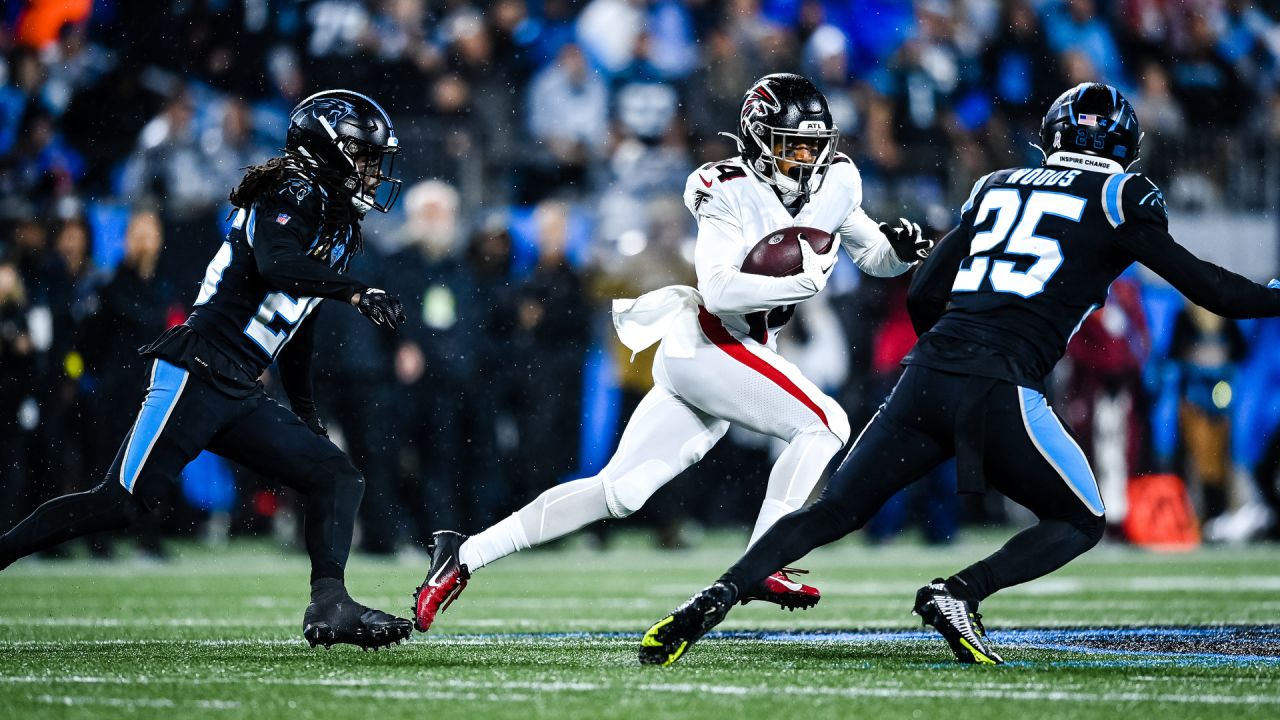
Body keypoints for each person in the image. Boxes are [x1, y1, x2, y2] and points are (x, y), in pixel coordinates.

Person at [638, 82, 1280, 667]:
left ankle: (718, 593)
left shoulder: (997, 184)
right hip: (1001, 381)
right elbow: (1211, 288)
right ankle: (959, 591)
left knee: (836, 509)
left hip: (927, 371)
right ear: (1123, 145)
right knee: (1082, 519)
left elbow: (924, 291)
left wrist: (948, 364)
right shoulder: (1119, 197)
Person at [412, 73, 932, 633]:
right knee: (826, 422)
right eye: (791, 144)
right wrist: (799, 284)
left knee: (619, 491)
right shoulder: (727, 188)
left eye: (814, 144)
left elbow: (871, 253)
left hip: (736, 350)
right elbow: (720, 289)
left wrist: (898, 252)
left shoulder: (837, 182)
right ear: (757, 140)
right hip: (712, 342)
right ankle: (764, 561)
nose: (806, 158)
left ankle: (462, 555)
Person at [0, 89, 413, 651]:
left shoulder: (335, 224)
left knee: (335, 475)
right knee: (121, 501)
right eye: (363, 156)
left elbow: (297, 317)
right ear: (328, 150)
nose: (371, 172)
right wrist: (358, 291)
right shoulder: (288, 190)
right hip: (196, 369)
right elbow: (277, 264)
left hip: (238, 386)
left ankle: (330, 603)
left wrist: (307, 410)